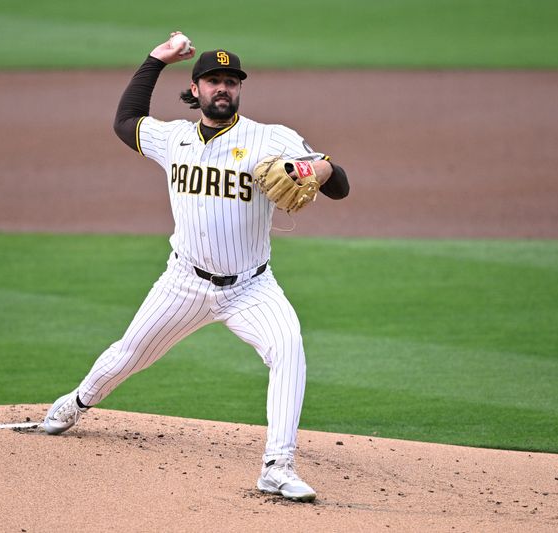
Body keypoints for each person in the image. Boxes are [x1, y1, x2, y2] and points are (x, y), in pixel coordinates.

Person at [42, 32, 349, 502]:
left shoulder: (271, 138)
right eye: (213, 80)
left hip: (251, 288)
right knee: (130, 354)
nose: (222, 88)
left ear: (240, 89)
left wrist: (318, 170)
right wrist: (155, 59)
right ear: (197, 87)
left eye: (230, 80)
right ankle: (76, 403)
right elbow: (126, 121)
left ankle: (278, 465)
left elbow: (339, 182)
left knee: (288, 348)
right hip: (183, 283)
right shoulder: (174, 137)